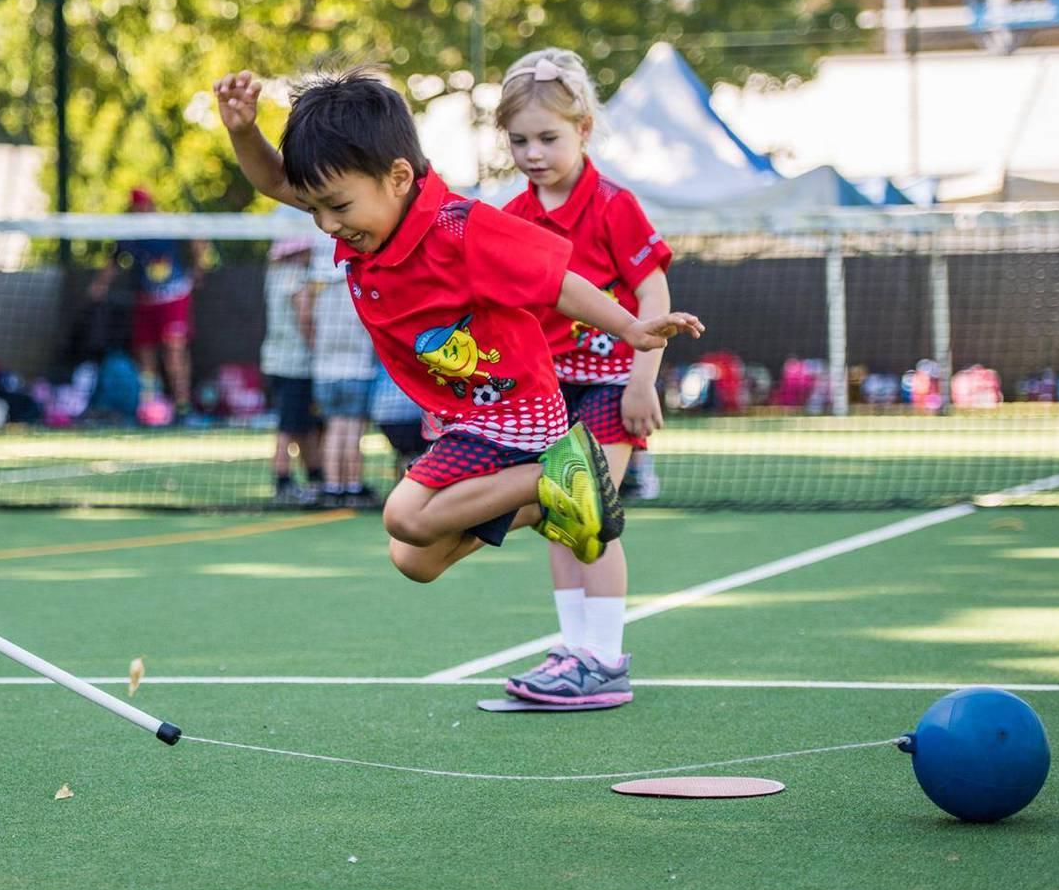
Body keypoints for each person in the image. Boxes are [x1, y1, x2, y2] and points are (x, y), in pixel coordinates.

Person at [212, 66, 703, 585]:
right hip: (464, 415)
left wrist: (630, 328)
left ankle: (561, 471)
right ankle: (550, 501)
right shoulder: (365, 216)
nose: (328, 224)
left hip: (513, 411)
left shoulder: (459, 228)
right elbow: (273, 180)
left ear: (399, 178)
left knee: (403, 515)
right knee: (414, 558)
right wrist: (244, 130)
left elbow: (557, 282)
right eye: (314, 210)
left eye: (336, 207)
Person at [496, 49, 673, 706]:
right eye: (519, 140)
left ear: (583, 131)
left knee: (584, 507)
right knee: (554, 515)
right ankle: (575, 649)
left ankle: (604, 657)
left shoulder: (613, 206)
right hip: (545, 392)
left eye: (548, 137)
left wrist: (641, 381)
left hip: (608, 385)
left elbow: (654, 300)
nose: (533, 153)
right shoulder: (511, 217)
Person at [87, 189, 207, 420]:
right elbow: (113, 262)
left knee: (175, 351)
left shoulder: (168, 224)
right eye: (135, 207)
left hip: (174, 298)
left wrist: (199, 270)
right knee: (145, 355)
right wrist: (99, 286)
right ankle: (152, 407)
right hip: (146, 300)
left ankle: (183, 407)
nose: (139, 210)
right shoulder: (129, 233)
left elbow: (198, 237)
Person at [298, 229, 378, 509]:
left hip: (325, 373)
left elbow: (308, 325)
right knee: (352, 430)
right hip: (356, 371)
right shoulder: (357, 291)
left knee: (334, 429)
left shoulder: (319, 296)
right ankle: (352, 485)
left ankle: (333, 486)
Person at [259, 234, 322, 506]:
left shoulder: (273, 276)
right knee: (288, 425)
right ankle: (282, 480)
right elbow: (304, 317)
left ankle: (315, 476)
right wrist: (317, 346)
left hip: (274, 360)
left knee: (303, 425)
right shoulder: (296, 278)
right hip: (295, 364)